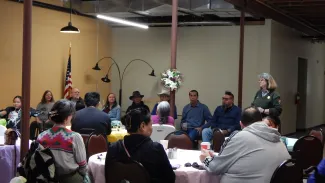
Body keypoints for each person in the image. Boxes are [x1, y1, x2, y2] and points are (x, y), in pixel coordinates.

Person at [200, 106, 290, 183]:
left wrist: (206, 158)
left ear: (241, 124)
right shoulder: (278, 138)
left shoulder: (242, 136)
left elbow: (215, 168)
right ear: (261, 121)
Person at [105, 108, 175, 183]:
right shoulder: (155, 149)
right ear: (143, 126)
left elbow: (108, 175)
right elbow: (170, 178)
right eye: (151, 124)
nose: (152, 128)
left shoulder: (113, 147)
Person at [37, 99, 89, 183]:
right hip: (69, 178)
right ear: (68, 117)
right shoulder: (75, 137)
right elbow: (82, 166)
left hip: (46, 179)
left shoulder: (41, 136)